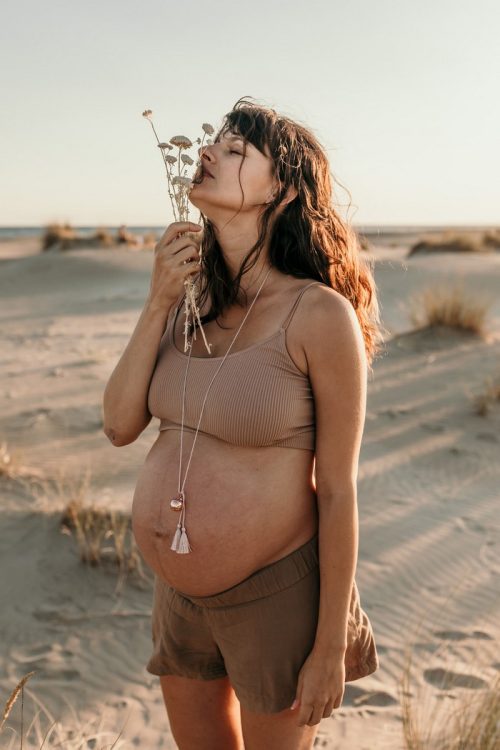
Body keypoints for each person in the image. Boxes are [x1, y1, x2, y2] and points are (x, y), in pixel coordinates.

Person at [102, 97, 381, 750]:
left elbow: (337, 490)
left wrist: (328, 645)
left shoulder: (318, 316)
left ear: (281, 191)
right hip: (180, 599)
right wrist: (158, 302)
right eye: (211, 143)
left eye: (234, 150)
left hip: (278, 597)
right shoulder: (189, 302)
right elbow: (118, 425)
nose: (207, 153)